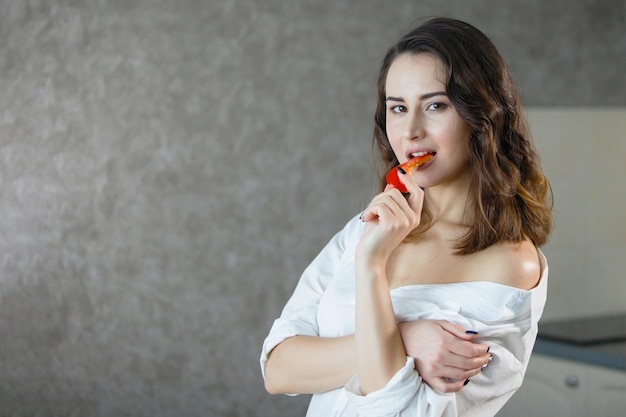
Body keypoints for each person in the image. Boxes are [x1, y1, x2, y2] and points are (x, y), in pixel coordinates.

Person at [260, 17, 552, 417]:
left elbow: (394, 411)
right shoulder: (364, 229)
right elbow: (278, 369)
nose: (410, 131)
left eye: (435, 105)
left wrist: (372, 266)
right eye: (397, 108)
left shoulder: (510, 263)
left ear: (481, 116)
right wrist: (407, 339)